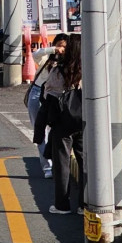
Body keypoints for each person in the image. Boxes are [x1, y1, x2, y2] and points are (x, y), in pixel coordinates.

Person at [45, 33, 84, 215]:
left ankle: (62, 205)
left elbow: (49, 95)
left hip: (62, 122)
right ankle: (85, 205)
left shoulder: (58, 70)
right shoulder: (88, 70)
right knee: (85, 162)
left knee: (62, 163)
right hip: (83, 121)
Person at [27, 32, 68, 177]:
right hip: (37, 93)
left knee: (55, 130)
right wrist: (53, 50)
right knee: (40, 130)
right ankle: (47, 167)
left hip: (55, 97)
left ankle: (56, 162)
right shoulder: (47, 57)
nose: (61, 50)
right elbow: (35, 55)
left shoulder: (68, 62)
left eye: (64, 47)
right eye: (59, 46)